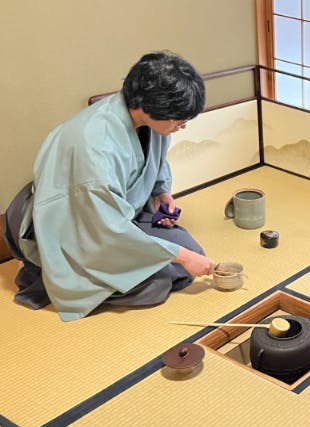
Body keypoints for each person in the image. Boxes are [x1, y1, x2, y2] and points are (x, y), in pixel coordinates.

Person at [2, 51, 215, 322]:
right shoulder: (96, 146)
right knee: (158, 283)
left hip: (114, 217)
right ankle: (46, 272)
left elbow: (155, 163)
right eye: (178, 119)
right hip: (76, 230)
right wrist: (180, 257)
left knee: (191, 255)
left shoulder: (144, 118)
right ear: (150, 106)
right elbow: (104, 229)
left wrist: (161, 192)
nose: (182, 126)